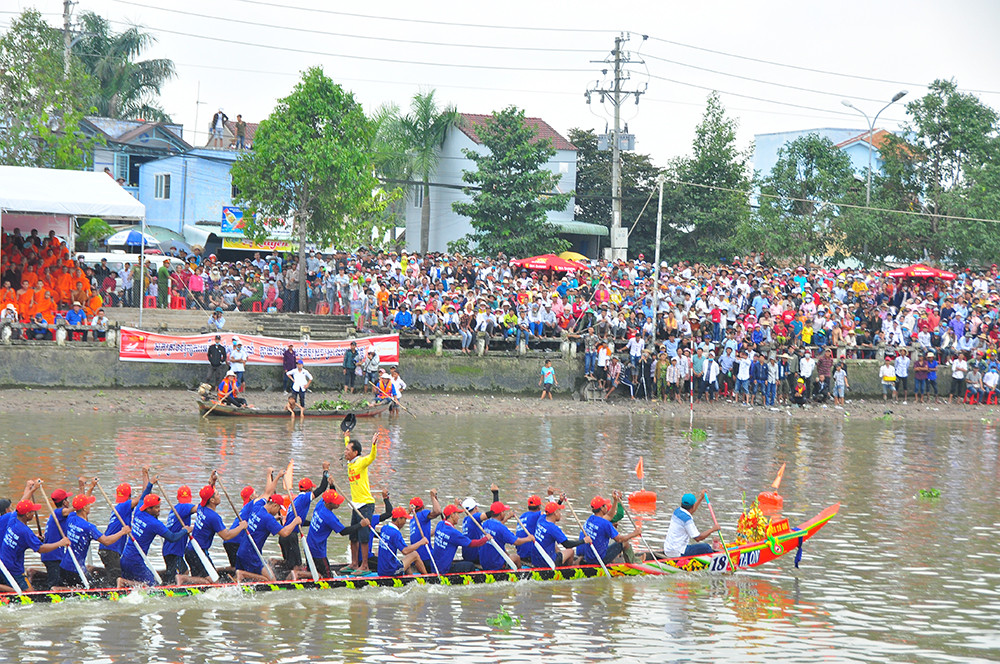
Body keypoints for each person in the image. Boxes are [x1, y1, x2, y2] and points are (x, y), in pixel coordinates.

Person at [177, 484, 247, 585]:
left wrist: (212, 481)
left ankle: (187, 583)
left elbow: (206, 492)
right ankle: (183, 578)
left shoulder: (201, 506)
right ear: (212, 500)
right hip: (198, 553)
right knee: (213, 582)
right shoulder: (214, 517)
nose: (220, 496)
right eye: (217, 494)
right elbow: (226, 536)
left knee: (200, 581)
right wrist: (241, 526)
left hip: (191, 550)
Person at [59, 492, 131, 588]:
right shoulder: (89, 527)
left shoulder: (71, 518)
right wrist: (122, 532)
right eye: (88, 504)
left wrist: (90, 487)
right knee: (96, 589)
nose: (90, 506)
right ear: (84, 508)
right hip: (75, 570)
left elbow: (78, 506)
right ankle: (57, 589)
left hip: (63, 567)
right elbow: (106, 541)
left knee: (93, 581)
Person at [118, 494, 192, 587]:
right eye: (157, 507)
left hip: (125, 558)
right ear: (149, 509)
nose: (159, 509)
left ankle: (124, 584)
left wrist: (151, 483)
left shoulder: (139, 511)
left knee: (135, 586)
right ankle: (122, 582)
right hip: (135, 561)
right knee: (153, 586)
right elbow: (172, 538)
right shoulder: (154, 524)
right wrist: (185, 530)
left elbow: (144, 495)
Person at [296, 489, 368, 580]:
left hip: (309, 545)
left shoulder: (320, 504)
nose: (339, 504)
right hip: (318, 551)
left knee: (313, 571)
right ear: (329, 504)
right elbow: (343, 531)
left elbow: (329, 494)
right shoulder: (329, 517)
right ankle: (298, 574)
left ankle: (304, 573)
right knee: (327, 577)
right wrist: (361, 525)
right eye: (336, 503)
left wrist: (332, 485)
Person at [0, 499, 70, 592]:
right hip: (13, 568)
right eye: (32, 511)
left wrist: (35, 538)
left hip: (4, 562)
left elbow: (21, 540)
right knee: (29, 593)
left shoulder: (13, 519)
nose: (34, 513)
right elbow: (41, 549)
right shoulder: (25, 531)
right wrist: (60, 543)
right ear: (27, 514)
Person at [98, 469, 153, 586]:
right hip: (110, 549)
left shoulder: (119, 507)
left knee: (115, 575)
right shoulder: (124, 506)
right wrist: (145, 475)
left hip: (106, 548)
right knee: (116, 580)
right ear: (129, 496)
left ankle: (92, 571)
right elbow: (145, 497)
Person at [235, 495, 301, 583]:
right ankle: (242, 574)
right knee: (272, 581)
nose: (278, 512)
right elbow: (284, 533)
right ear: (274, 505)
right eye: (279, 509)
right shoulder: (268, 518)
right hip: (252, 554)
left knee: (253, 578)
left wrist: (274, 520)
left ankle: (242, 577)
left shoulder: (257, 507)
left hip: (242, 551)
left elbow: (261, 520)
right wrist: (295, 522)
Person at [278, 463, 329, 573]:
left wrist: (312, 523)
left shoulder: (296, 500)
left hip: (284, 536)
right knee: (297, 567)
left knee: (289, 564)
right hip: (290, 537)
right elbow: (322, 488)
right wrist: (325, 471)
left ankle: (273, 563)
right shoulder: (305, 498)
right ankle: (295, 579)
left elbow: (299, 521)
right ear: (310, 489)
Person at [344, 433, 378, 574]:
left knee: (363, 537)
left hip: (366, 504)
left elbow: (372, 457)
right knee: (353, 536)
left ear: (355, 453)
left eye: (347, 450)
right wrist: (346, 437)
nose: (345, 452)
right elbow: (348, 444)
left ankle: (364, 566)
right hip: (355, 504)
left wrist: (374, 445)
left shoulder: (361, 462)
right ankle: (353, 563)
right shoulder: (350, 462)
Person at [579, 495, 641, 565]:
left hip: (590, 557)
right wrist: (634, 533)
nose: (607, 507)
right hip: (599, 559)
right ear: (602, 508)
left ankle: (631, 559)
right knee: (624, 542)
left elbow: (609, 516)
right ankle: (633, 563)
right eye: (605, 505)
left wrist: (615, 500)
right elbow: (619, 539)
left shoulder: (591, 518)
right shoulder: (606, 524)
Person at [431, 504, 490, 574]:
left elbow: (445, 520)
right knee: (470, 565)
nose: (459, 517)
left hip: (434, 567)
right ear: (452, 515)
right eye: (457, 514)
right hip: (444, 570)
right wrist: (486, 539)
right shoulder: (454, 533)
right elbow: (472, 544)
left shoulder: (440, 524)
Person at [532, 500, 590, 568]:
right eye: (559, 511)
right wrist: (583, 541)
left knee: (556, 547)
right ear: (555, 513)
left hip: (535, 560)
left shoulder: (541, 519)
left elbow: (549, 510)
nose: (561, 514)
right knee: (570, 551)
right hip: (547, 563)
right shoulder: (553, 528)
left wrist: (559, 501)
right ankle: (567, 571)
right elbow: (567, 545)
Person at [479, 501, 535, 571]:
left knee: (504, 551)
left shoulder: (486, 524)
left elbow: (497, 527)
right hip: (496, 565)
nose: (505, 513)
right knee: (516, 557)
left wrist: (508, 517)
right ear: (501, 513)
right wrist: (528, 538)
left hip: (484, 563)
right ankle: (521, 576)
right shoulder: (501, 528)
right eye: (504, 511)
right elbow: (516, 541)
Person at [662, 492, 719, 558]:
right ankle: (711, 565)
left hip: (668, 550)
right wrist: (713, 529)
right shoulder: (687, 520)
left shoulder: (677, 511)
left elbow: (692, 510)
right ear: (692, 505)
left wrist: (701, 498)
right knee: (706, 547)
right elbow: (698, 538)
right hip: (678, 552)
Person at [376, 507, 428, 577]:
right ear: (398, 519)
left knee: (405, 562)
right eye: (405, 519)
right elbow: (405, 551)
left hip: (381, 570)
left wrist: (407, 513)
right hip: (390, 571)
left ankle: (411, 579)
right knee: (414, 554)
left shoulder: (384, 528)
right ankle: (428, 578)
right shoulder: (395, 533)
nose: (405, 522)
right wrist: (421, 542)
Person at [161, 485, 196, 585]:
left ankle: (168, 584)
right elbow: (200, 508)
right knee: (176, 577)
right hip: (174, 550)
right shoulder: (184, 506)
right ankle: (171, 590)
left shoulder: (175, 509)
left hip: (170, 549)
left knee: (183, 571)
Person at [408, 491, 442, 571]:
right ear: (423, 507)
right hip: (426, 557)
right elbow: (437, 512)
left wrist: (438, 528)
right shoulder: (422, 514)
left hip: (416, 559)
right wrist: (432, 497)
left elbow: (421, 535)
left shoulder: (412, 520)